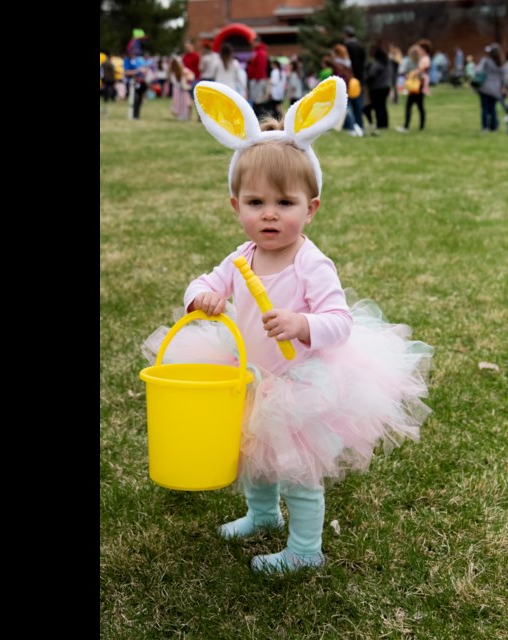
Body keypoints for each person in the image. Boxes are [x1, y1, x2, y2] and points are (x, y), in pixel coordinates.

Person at [142, 77, 433, 574]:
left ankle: (304, 548)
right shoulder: (241, 258)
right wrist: (202, 297)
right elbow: (199, 283)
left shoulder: (311, 263)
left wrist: (302, 323)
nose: (270, 215)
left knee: (297, 469)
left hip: (302, 381)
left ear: (310, 208)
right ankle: (260, 514)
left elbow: (338, 322)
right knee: (253, 450)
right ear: (237, 208)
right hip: (252, 371)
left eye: (285, 203)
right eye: (256, 203)